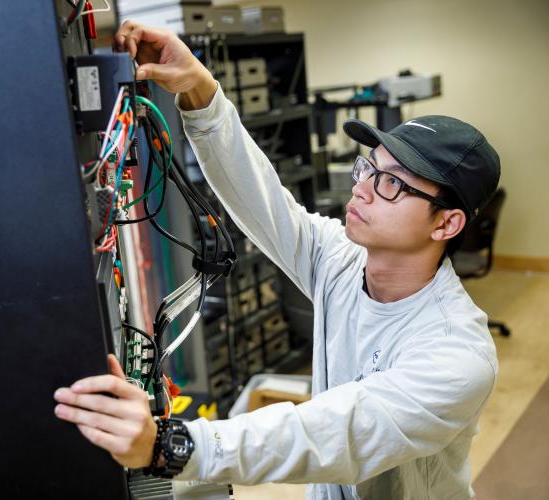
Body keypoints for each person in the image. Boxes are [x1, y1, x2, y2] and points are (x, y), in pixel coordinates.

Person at [53, 21, 500, 499]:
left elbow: (333, 432)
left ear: (446, 225)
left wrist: (169, 445)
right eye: (368, 165)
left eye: (392, 183)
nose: (362, 187)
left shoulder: (457, 356)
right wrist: (200, 91)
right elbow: (262, 201)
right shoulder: (342, 261)